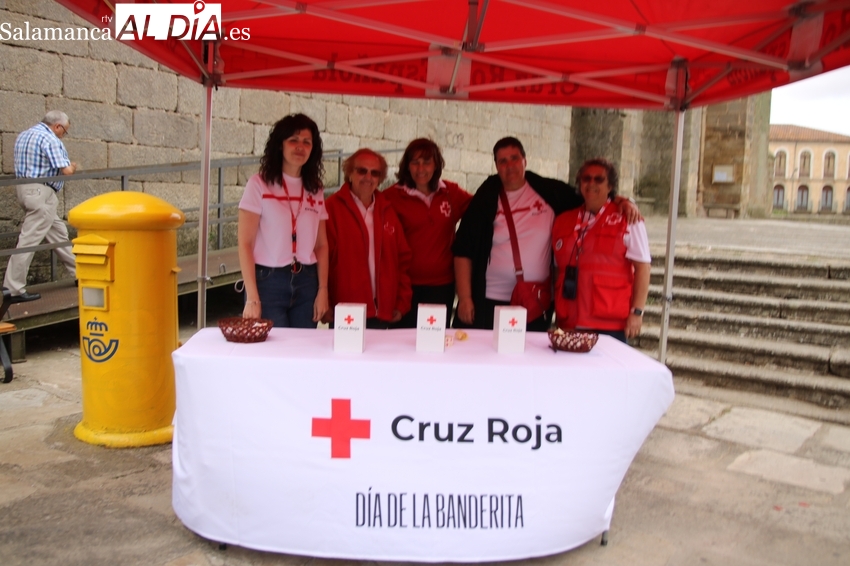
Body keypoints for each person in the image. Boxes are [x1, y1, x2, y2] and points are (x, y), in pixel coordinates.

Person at [452, 137, 640, 332]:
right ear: (496, 166)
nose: (510, 166)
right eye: (503, 161)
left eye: (514, 158)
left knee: (530, 360)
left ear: (525, 160)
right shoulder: (486, 196)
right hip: (491, 299)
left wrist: (621, 200)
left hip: (535, 301)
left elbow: (590, 195)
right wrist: (465, 298)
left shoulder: (549, 192)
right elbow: (463, 250)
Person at [237, 113, 329, 328]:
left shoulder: (315, 189)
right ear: (280, 145)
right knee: (272, 355)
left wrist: (323, 290)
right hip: (269, 281)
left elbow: (322, 245)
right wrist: (252, 297)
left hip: (307, 280)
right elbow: (245, 243)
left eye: (307, 142)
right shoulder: (259, 184)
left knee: (303, 353)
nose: (300, 146)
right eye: (293, 140)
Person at [552, 158, 651, 343]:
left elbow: (643, 268)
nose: (591, 184)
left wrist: (637, 312)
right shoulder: (563, 221)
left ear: (610, 186)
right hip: (570, 318)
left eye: (599, 179)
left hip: (609, 320)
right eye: (586, 178)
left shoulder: (628, 218)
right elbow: (558, 270)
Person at [384, 138, 472, 328]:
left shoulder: (450, 193)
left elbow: (480, 212)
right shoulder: (391, 197)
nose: (420, 168)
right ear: (407, 166)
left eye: (426, 162)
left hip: (442, 286)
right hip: (404, 286)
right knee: (403, 343)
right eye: (414, 162)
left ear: (436, 165)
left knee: (434, 340)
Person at [324, 148, 412, 329]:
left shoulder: (388, 211)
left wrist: (402, 302)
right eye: (361, 170)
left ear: (380, 178)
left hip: (382, 312)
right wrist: (325, 301)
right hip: (345, 311)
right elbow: (321, 260)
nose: (368, 177)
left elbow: (402, 261)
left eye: (375, 173)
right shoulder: (331, 208)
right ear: (349, 172)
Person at [3, 111, 78, 302]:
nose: (63, 135)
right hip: (41, 192)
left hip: (26, 191)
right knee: (28, 241)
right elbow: (66, 170)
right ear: (57, 126)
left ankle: (81, 274)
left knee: (59, 233)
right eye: (64, 131)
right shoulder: (49, 138)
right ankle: (13, 289)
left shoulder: (24, 135)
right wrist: (73, 166)